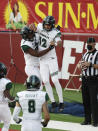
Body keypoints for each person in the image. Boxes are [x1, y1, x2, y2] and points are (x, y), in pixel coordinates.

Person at [29, 16, 64, 112]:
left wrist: (57, 43)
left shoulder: (55, 32)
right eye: (45, 24)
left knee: (55, 80)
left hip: (51, 59)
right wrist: (32, 27)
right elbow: (34, 27)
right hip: (42, 59)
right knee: (45, 81)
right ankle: (53, 102)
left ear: (52, 25)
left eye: (48, 25)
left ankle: (61, 102)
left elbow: (60, 42)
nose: (46, 26)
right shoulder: (40, 26)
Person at [20, 26, 55, 90]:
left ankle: (29, 93)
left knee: (39, 84)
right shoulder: (25, 45)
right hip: (31, 67)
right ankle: (36, 98)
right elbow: (37, 54)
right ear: (25, 36)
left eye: (32, 33)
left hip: (37, 66)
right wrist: (49, 48)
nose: (32, 35)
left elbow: (44, 34)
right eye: (30, 34)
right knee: (39, 85)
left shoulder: (34, 35)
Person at [78, 37, 98, 127]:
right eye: (88, 43)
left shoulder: (97, 54)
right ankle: (87, 120)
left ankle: (96, 121)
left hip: (94, 79)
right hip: (85, 79)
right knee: (85, 100)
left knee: (93, 100)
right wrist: (79, 65)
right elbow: (81, 63)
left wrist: (90, 64)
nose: (88, 45)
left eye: (90, 43)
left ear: (94, 44)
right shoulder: (85, 54)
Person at [0, 62, 15, 131]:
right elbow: (7, 95)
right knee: (6, 124)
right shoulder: (6, 82)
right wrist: (13, 99)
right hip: (2, 106)